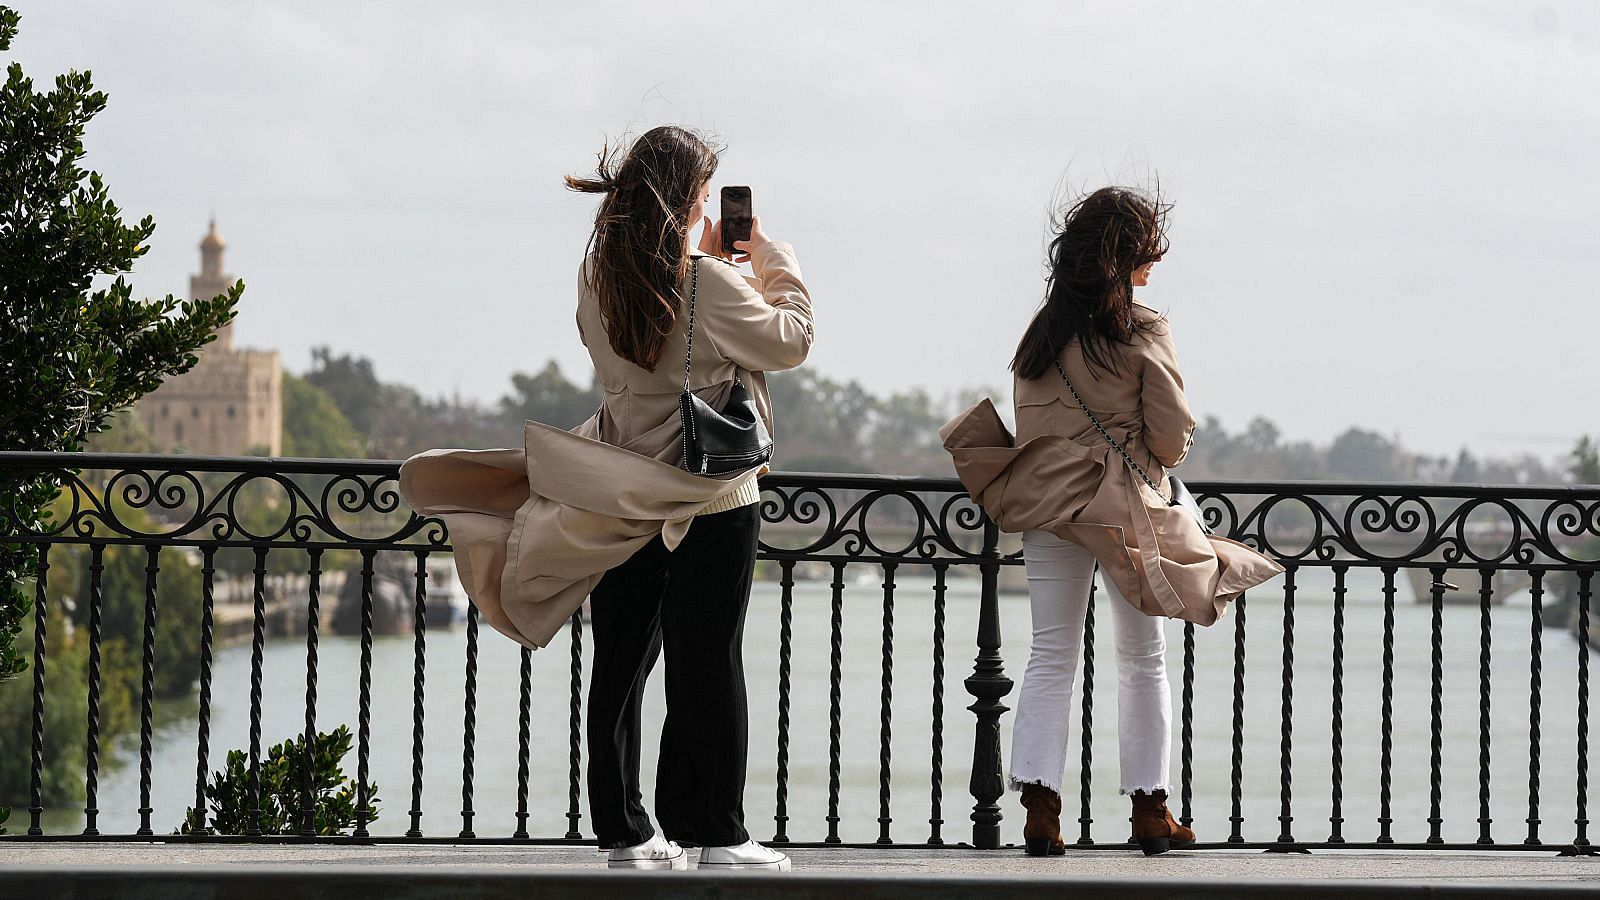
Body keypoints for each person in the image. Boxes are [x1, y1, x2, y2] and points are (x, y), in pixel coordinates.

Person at [939, 186, 1282, 856]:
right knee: (1142, 656)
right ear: (1124, 255)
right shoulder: (1141, 328)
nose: (1155, 264)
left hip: (1048, 509)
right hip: (1125, 512)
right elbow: (1172, 433)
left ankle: (1040, 810)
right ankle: (1151, 811)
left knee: (1049, 654)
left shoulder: (1040, 334)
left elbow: (1035, 423)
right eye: (1149, 249)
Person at [564, 125, 812, 870]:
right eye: (704, 197)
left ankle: (626, 832)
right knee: (709, 662)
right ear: (686, 202)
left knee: (620, 662)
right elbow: (792, 339)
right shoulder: (708, 280)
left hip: (621, 482)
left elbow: (603, 348)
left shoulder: (596, 278)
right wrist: (767, 256)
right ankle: (714, 831)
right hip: (710, 490)